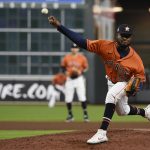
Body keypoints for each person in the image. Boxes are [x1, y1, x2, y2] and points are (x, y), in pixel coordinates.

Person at [48, 16, 150, 144]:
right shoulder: (105, 46)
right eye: (123, 35)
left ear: (131, 38)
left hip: (125, 82)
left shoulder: (136, 60)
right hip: (111, 81)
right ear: (117, 35)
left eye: (128, 36)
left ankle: (102, 133)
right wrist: (60, 27)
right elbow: (81, 42)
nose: (125, 38)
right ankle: (145, 112)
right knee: (122, 111)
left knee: (111, 95)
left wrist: (135, 89)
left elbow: (141, 80)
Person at [61, 43, 89, 122]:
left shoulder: (82, 58)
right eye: (73, 48)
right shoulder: (67, 57)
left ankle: (85, 114)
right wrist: (65, 72)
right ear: (71, 49)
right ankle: (70, 115)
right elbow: (63, 67)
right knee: (68, 98)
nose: (74, 49)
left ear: (78, 49)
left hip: (79, 79)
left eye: (76, 48)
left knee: (82, 97)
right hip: (69, 79)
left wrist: (80, 72)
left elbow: (86, 68)